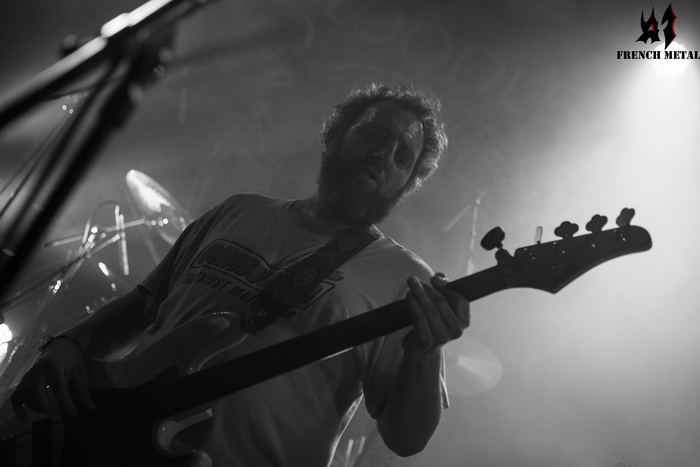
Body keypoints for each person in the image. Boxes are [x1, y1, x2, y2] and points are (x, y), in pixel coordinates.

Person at [8, 83, 471, 466]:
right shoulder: (237, 211)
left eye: (403, 156)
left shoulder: (404, 279)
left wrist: (425, 353)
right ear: (334, 136)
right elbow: (141, 307)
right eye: (374, 134)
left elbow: (407, 439)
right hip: (104, 443)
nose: (384, 154)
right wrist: (70, 343)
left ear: (407, 185)